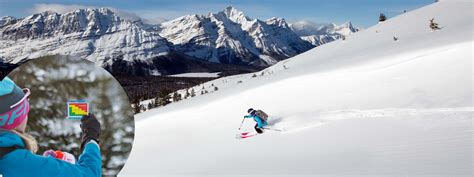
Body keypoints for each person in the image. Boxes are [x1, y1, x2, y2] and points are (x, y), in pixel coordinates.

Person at [0, 76, 102, 177]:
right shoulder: (15, 162)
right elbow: (90, 174)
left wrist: (41, 164)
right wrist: (91, 137)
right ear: (14, 118)